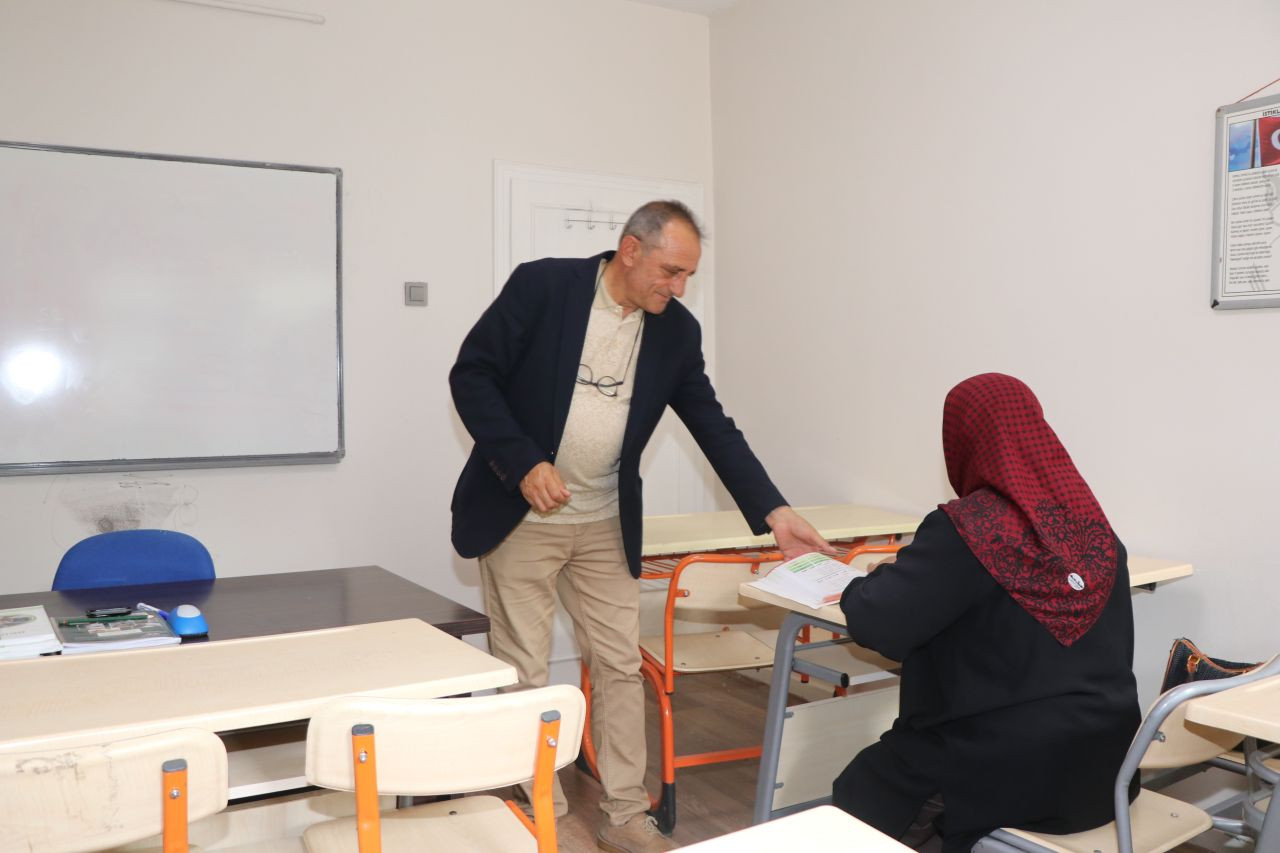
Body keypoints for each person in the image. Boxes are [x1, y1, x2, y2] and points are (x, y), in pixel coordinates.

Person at [449, 200, 832, 853]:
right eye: (670, 271)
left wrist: (774, 510)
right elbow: (473, 375)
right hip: (525, 515)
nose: (678, 287)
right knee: (524, 667)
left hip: (603, 519)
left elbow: (713, 425)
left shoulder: (676, 332)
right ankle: (542, 813)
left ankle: (625, 814)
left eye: (688, 275)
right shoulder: (544, 287)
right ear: (630, 250)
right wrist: (523, 462)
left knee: (620, 665)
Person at [833, 373, 1141, 852]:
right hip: (1106, 773)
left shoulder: (968, 529)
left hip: (1003, 770)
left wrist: (866, 583)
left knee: (860, 794)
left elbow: (877, 623)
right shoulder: (1096, 532)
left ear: (964, 441)